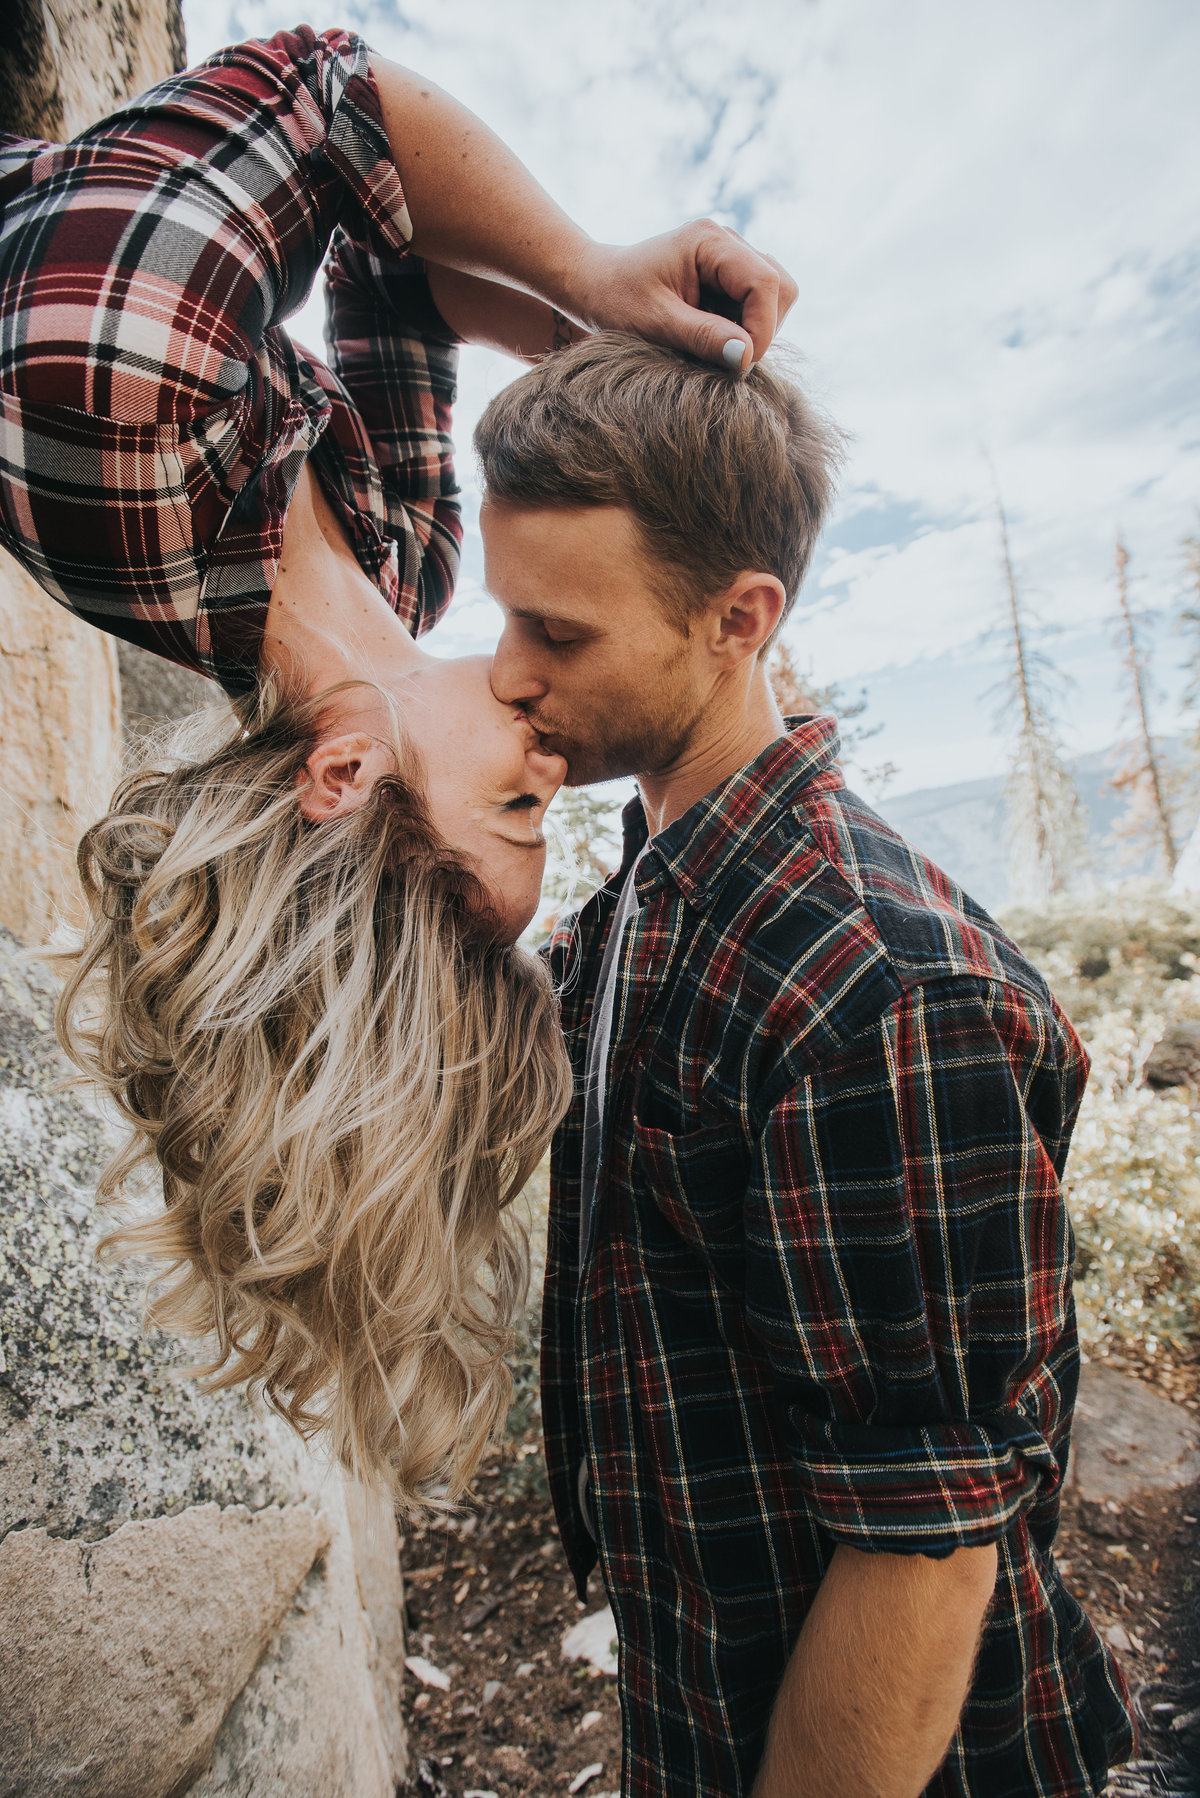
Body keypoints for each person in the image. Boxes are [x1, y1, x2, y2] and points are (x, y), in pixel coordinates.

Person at [0, 26, 794, 1503]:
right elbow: (391, 269)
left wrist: (586, 269)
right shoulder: (399, 564)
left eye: (514, 803)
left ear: (345, 773)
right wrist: (606, 349)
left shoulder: (118, 425)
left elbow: (320, 97)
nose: (556, 767)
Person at [475, 335, 1136, 1796]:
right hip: (713, 1699)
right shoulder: (656, 896)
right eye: (503, 612)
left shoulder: (873, 994)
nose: (508, 672)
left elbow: (930, 1541)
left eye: (560, 634)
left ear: (738, 616)